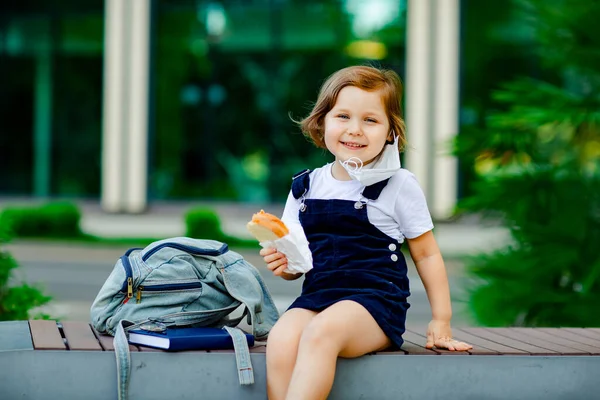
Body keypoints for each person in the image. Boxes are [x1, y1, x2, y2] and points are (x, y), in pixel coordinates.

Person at [260, 65, 472, 400]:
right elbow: (296, 265)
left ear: (391, 132)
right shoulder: (305, 187)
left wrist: (441, 319)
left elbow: (427, 253)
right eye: (343, 116)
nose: (355, 130)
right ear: (322, 122)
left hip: (375, 304)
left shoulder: (398, 184)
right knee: (283, 336)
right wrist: (284, 265)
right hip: (318, 297)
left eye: (370, 120)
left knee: (320, 333)